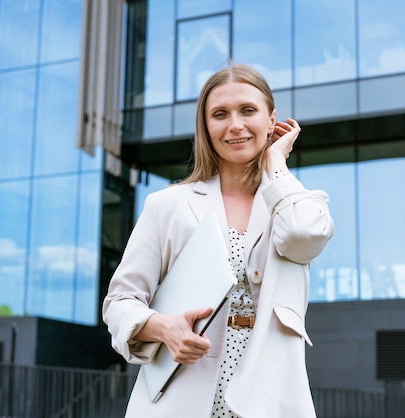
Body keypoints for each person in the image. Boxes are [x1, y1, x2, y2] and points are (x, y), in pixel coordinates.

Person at [102, 63, 334, 417]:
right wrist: (164, 328)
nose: (235, 125)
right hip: (180, 398)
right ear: (206, 126)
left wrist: (276, 164)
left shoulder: (297, 203)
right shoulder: (167, 205)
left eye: (248, 111)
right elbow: (120, 301)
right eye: (220, 114)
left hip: (271, 399)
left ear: (272, 120)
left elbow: (302, 237)